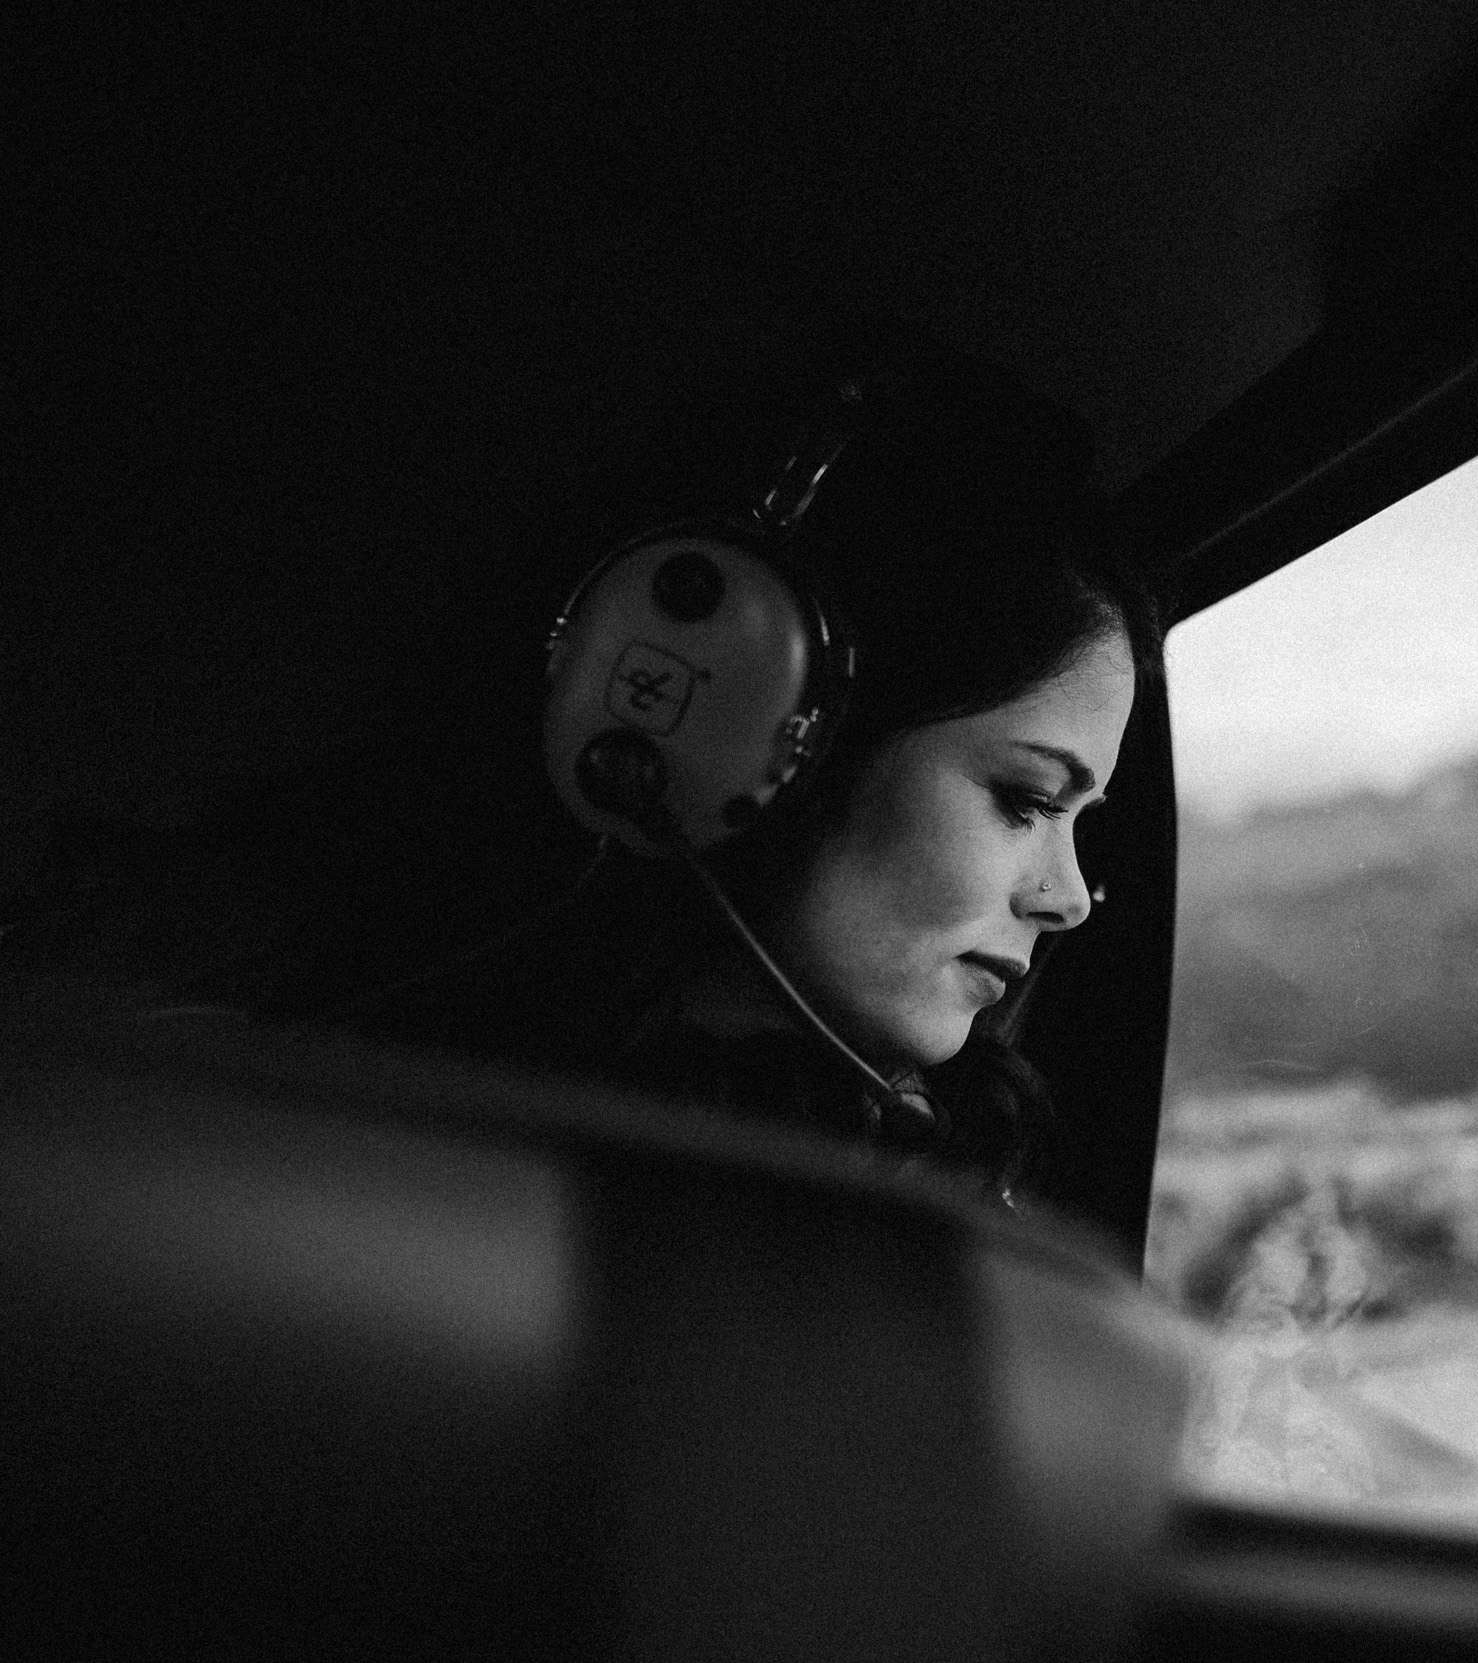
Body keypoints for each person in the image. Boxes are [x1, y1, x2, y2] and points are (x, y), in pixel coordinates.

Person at [335, 330, 1164, 1205]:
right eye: (1026, 799)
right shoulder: (380, 1169)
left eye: (1079, 819)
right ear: (751, 717)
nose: (1069, 898)